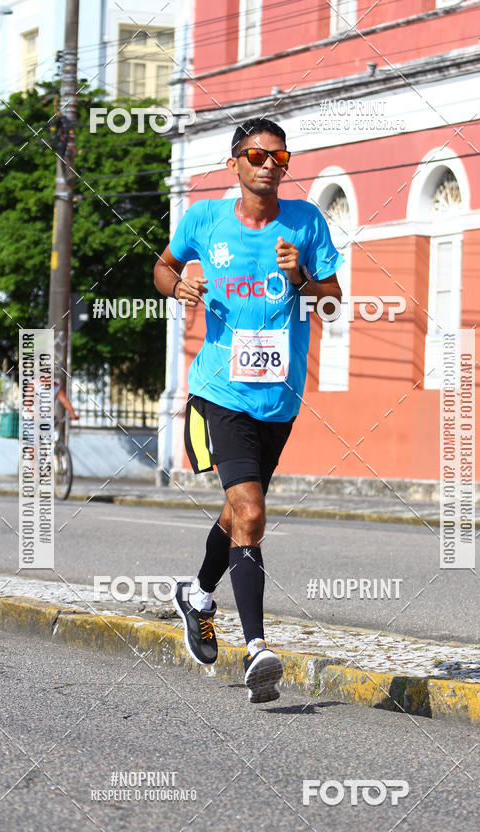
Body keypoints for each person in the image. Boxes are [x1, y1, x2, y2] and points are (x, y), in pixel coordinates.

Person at [154, 117, 342, 703]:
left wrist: (303, 277)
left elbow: (332, 299)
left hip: (278, 396)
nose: (269, 165)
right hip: (219, 391)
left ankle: (198, 596)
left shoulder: (307, 222)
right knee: (252, 509)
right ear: (235, 161)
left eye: (279, 157)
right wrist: (177, 286)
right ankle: (257, 648)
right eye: (258, 155)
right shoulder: (203, 220)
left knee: (240, 514)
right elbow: (162, 266)